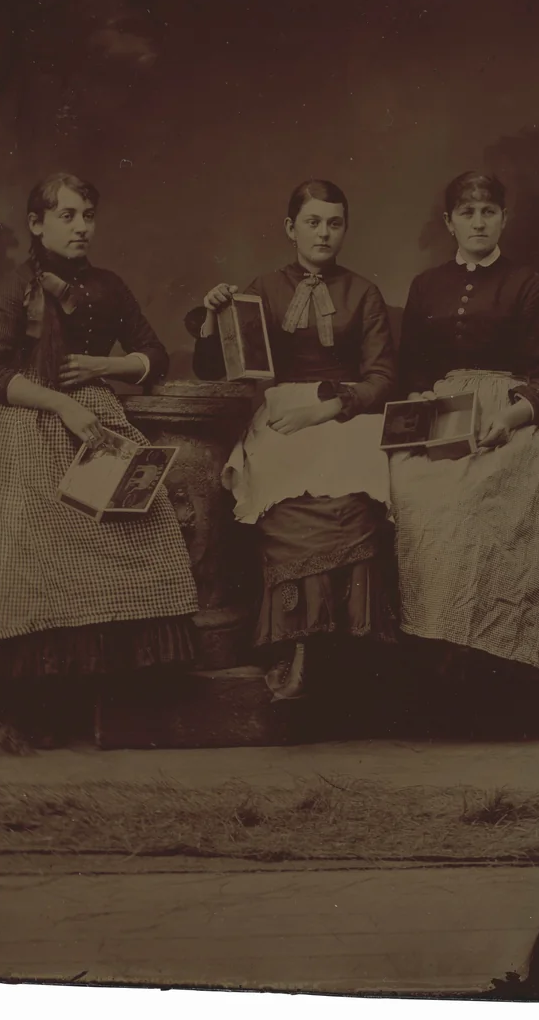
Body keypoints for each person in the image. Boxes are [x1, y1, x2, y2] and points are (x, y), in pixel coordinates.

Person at [0, 172, 198, 745]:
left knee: (144, 530)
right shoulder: (13, 289)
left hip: (97, 421)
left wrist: (102, 368)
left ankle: (115, 708)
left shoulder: (109, 286)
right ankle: (41, 710)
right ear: (37, 224)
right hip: (24, 425)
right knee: (26, 540)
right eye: (67, 216)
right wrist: (60, 401)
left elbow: (154, 355)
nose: (81, 226)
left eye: (87, 215)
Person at [186, 179, 397, 701]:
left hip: (343, 413)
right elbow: (219, 370)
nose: (324, 233)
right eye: (313, 222)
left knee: (356, 494)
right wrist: (214, 315)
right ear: (290, 228)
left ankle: (347, 654)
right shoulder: (262, 288)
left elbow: (382, 377)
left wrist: (327, 409)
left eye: (334, 223)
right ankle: (294, 645)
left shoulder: (363, 293)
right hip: (281, 414)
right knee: (283, 494)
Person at [390, 170, 539, 702]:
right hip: (440, 415)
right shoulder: (427, 285)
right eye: (467, 213)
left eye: (488, 212)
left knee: (473, 506)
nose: (478, 222)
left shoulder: (530, 285)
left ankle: (489, 677)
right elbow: (410, 376)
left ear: (503, 220)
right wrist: (415, 426)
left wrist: (513, 416)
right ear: (449, 222)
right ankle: (434, 672)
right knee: (413, 495)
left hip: (512, 421)